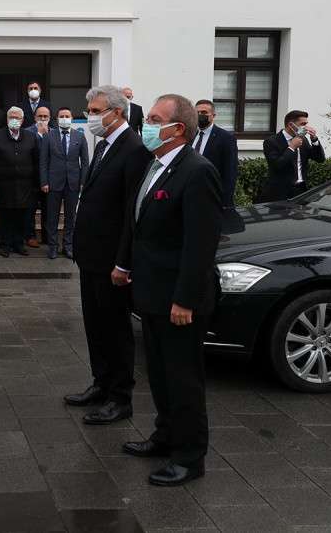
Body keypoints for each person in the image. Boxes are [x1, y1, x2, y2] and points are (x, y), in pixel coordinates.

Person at [115, 94, 222, 487]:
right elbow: (140, 223)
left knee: (183, 379)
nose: (146, 124)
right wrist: (125, 265)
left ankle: (190, 457)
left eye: (154, 119)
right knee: (159, 375)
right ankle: (165, 436)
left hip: (179, 300)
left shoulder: (197, 171)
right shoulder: (156, 164)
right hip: (152, 293)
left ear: (177, 129)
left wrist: (185, 299)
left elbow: (200, 244)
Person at [67, 86, 151, 425]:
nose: (90, 116)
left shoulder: (134, 149)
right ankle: (100, 383)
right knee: (95, 325)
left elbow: (132, 212)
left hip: (112, 261)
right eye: (89, 110)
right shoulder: (103, 144)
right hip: (91, 256)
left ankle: (120, 396)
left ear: (117, 112)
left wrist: (123, 262)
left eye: (95, 110)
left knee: (115, 329)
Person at [0, 106, 40, 257]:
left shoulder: (31, 137)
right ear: (7, 119)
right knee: (5, 216)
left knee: (21, 216)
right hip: (3, 186)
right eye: (12, 117)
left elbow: (36, 161)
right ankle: (5, 244)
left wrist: (36, 185)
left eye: (17, 118)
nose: (14, 120)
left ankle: (18, 244)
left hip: (25, 186)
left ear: (23, 120)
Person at [40, 107, 88, 259]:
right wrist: (44, 181)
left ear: (72, 118)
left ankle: (68, 246)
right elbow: (43, 161)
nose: (65, 118)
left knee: (70, 217)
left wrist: (83, 182)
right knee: (52, 217)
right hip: (53, 183)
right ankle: (53, 247)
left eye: (67, 116)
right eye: (62, 116)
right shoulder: (49, 136)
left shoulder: (80, 136)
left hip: (73, 183)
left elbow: (85, 162)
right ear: (57, 119)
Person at [258, 110, 325, 202]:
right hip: (280, 193)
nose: (305, 127)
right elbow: (277, 165)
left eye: (306, 124)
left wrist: (314, 140)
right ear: (291, 125)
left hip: (301, 190)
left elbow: (320, 159)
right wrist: (292, 147)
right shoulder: (271, 141)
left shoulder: (303, 140)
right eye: (302, 124)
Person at [193, 100, 239, 208]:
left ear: (213, 115)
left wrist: (225, 201)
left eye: (204, 112)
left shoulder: (226, 138)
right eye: (197, 113)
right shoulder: (190, 135)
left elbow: (230, 172)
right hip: (191, 195)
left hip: (213, 196)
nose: (200, 115)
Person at [25, 106, 52, 246]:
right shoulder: (27, 132)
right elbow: (28, 151)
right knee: (30, 209)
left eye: (45, 116)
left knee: (48, 209)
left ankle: (47, 237)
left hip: (49, 178)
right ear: (35, 117)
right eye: (40, 116)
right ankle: (30, 236)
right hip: (32, 178)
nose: (42, 119)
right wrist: (40, 135)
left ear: (50, 118)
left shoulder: (54, 132)